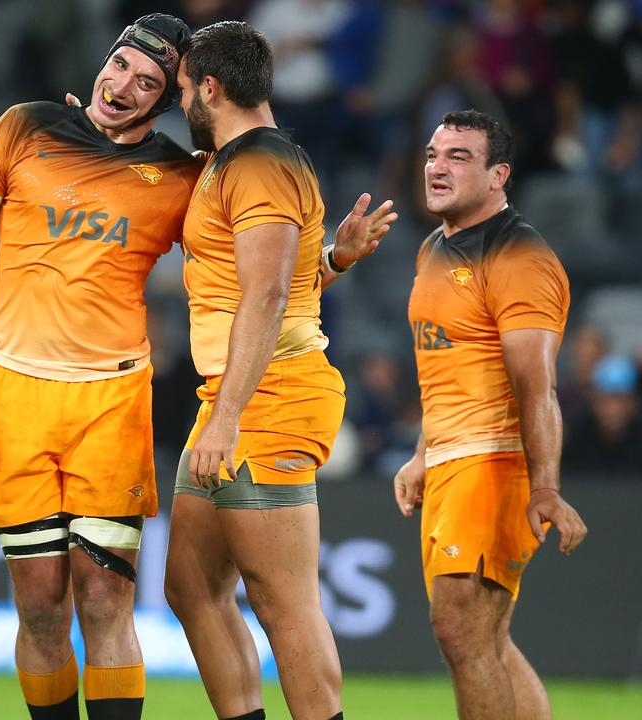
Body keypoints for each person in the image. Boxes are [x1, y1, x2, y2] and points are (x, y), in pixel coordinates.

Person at [0, 16, 200, 720]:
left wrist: (331, 259)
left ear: (164, 101)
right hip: (15, 395)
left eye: (146, 82)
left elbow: (253, 271)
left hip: (112, 402)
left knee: (107, 599)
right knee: (38, 608)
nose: (122, 86)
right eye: (120, 65)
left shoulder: (182, 177)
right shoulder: (22, 128)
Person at [162, 21, 394, 720]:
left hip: (268, 398)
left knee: (284, 603)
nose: (179, 105)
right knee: (191, 588)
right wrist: (336, 262)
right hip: (237, 395)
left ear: (211, 87)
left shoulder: (258, 164)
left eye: (181, 91)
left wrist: (227, 417)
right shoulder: (241, 162)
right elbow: (279, 290)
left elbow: (265, 297)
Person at [394, 109, 587, 720]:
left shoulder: (520, 257)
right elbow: (445, 364)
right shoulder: (432, 249)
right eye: (432, 155)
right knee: (485, 638)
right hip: (452, 461)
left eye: (458, 157)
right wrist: (424, 454)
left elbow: (538, 387)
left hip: (494, 461)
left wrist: (547, 487)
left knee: (461, 630)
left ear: (499, 174)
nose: (437, 168)